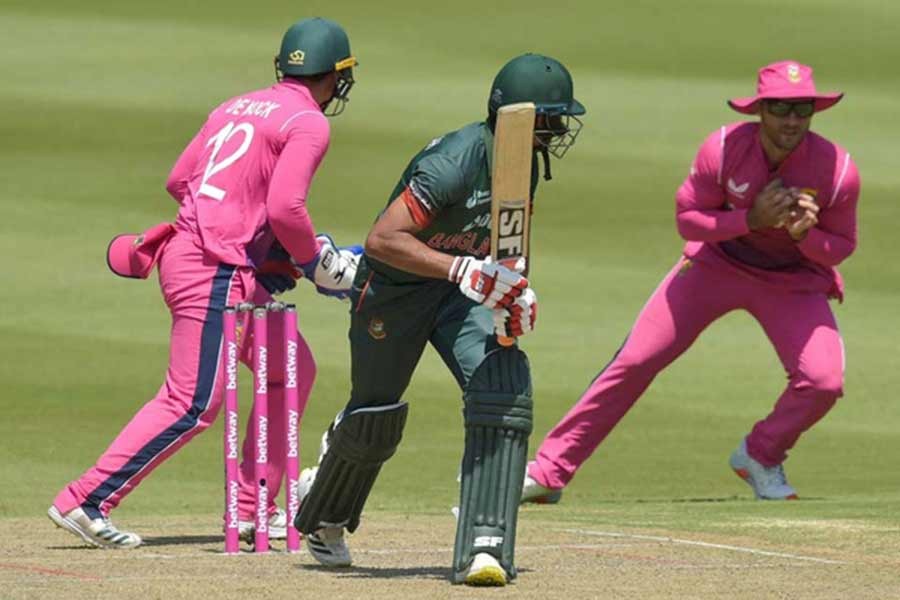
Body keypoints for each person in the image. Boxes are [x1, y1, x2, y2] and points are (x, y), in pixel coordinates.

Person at [48, 17, 361, 549]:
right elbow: (287, 208)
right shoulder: (308, 122)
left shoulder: (234, 106)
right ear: (334, 75)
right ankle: (86, 498)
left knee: (289, 367)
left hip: (201, 254)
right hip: (213, 266)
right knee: (192, 401)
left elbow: (179, 180)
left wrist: (257, 245)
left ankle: (252, 508)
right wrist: (314, 263)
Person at [291, 53, 585, 585]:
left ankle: (484, 543)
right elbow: (383, 240)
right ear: (518, 117)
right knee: (375, 415)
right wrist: (461, 269)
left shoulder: (521, 162)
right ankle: (326, 511)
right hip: (394, 290)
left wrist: (514, 296)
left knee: (503, 387)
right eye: (552, 120)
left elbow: (509, 244)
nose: (559, 132)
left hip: (459, 293)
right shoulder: (453, 162)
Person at [522, 60, 860, 505]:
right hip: (715, 265)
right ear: (760, 110)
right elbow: (689, 221)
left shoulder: (837, 169)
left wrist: (804, 236)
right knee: (636, 360)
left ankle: (760, 455)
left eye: (802, 109)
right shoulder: (722, 149)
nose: (791, 120)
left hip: (793, 279)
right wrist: (751, 220)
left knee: (823, 382)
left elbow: (841, 248)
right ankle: (550, 470)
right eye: (780, 108)